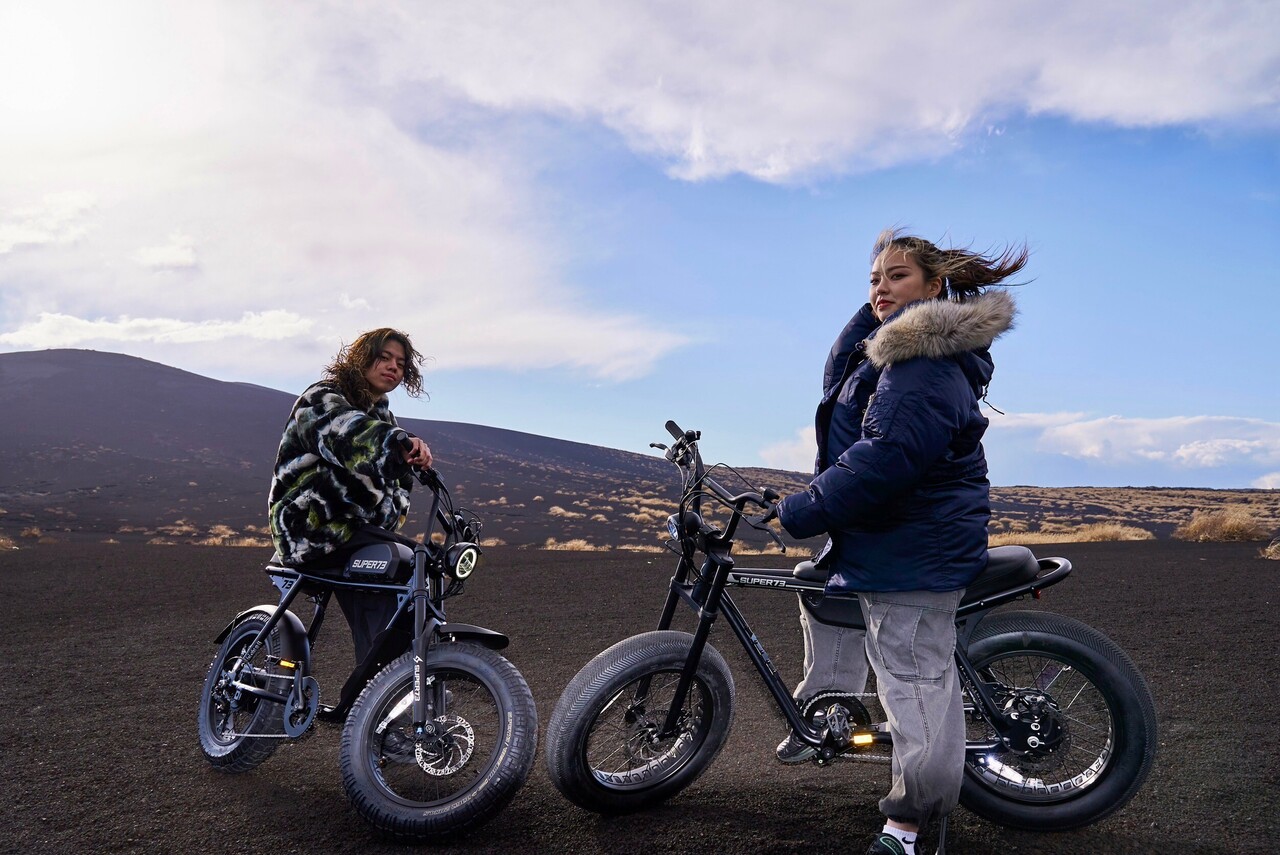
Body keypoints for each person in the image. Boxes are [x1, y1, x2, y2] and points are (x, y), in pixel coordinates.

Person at [774, 229, 1025, 855]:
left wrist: (806, 508)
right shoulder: (893, 352)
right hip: (891, 534)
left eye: (898, 276)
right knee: (817, 589)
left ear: (934, 287)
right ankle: (831, 713)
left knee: (912, 679)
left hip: (917, 548)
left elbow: (888, 458)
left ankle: (913, 822)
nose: (881, 287)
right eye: (874, 278)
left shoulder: (922, 362)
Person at [268, 327, 433, 664]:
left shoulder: (383, 417)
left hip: (349, 531)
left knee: (418, 563)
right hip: (310, 526)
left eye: (400, 364)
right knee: (394, 557)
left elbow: (393, 485)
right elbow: (349, 434)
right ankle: (376, 688)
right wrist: (396, 443)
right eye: (384, 357)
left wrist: (410, 461)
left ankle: (397, 679)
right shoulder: (322, 398)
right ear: (362, 356)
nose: (393, 367)